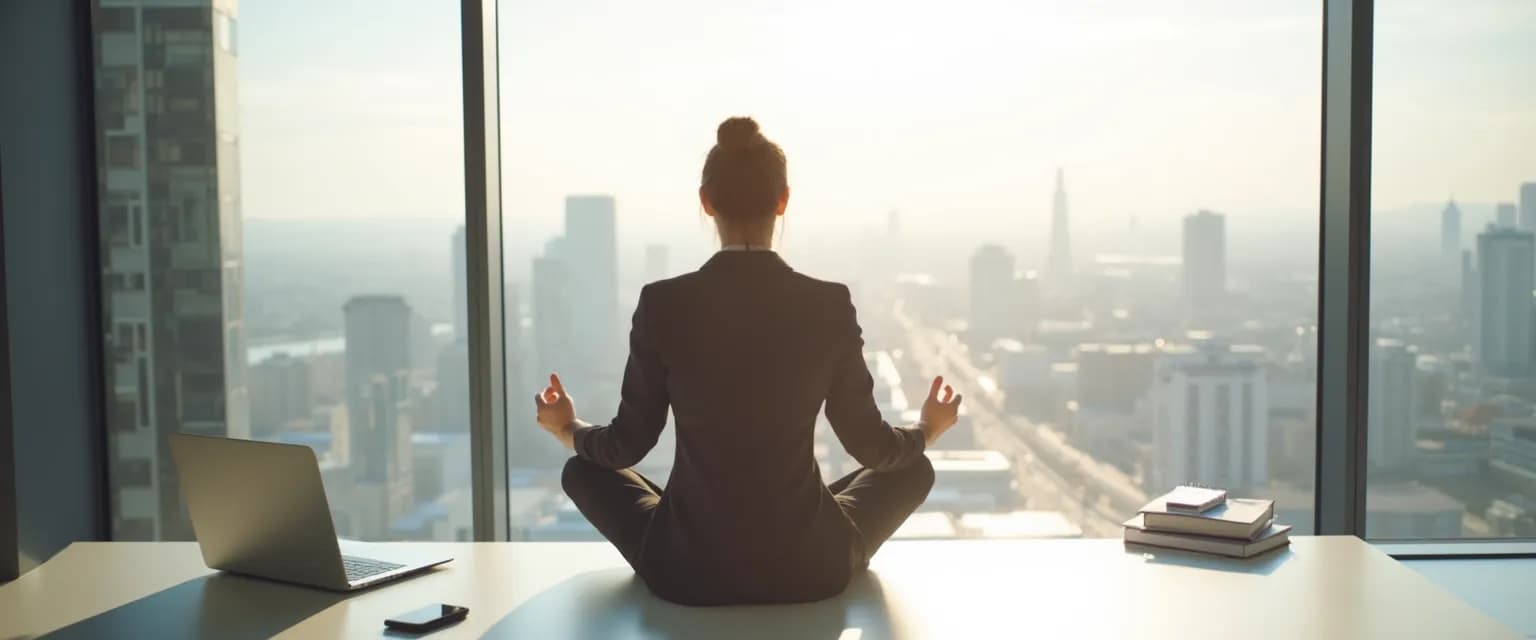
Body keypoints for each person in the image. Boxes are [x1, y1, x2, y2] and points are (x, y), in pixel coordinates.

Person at [533, 116, 962, 606]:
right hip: (810, 567)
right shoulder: (827, 304)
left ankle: (680, 526)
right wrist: (927, 428)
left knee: (581, 470)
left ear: (706, 201)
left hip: (686, 571)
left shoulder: (663, 303)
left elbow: (623, 447)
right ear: (783, 201)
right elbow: (873, 448)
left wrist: (567, 427)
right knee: (913, 467)